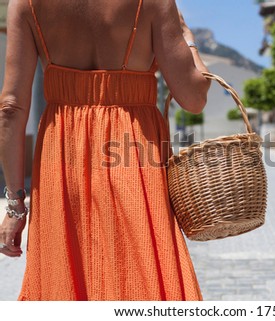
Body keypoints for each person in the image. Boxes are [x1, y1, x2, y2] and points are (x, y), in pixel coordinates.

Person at [0, 0, 210, 300]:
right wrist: (187, 36)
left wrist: (16, 205)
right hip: (135, 158)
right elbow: (194, 98)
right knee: (143, 279)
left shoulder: (25, 4)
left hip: (62, 160)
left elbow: (10, 108)